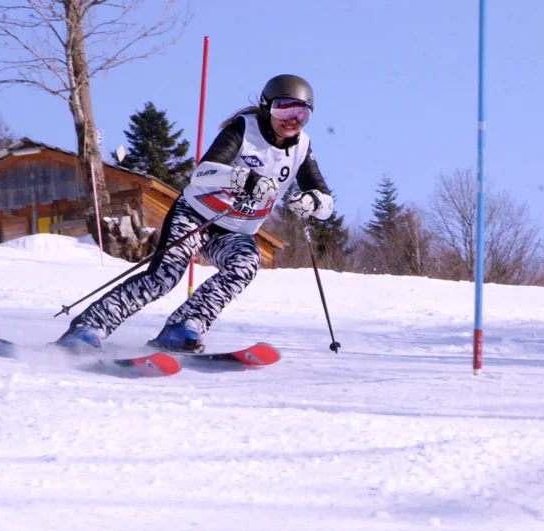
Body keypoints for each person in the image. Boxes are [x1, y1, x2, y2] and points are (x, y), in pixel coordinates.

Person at [56, 74, 335, 353]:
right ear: (266, 107)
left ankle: (183, 326)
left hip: (235, 231)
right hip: (197, 216)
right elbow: (202, 173)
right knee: (164, 275)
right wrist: (246, 179)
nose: (292, 120)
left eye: (302, 113)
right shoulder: (244, 129)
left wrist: (312, 201)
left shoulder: (302, 146)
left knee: (245, 264)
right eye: (283, 109)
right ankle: (89, 327)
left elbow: (324, 200)